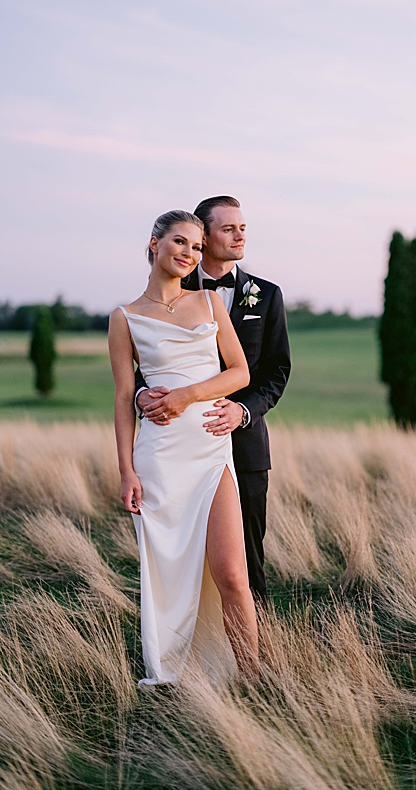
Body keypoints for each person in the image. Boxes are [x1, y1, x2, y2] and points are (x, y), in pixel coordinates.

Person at [108, 210, 259, 685]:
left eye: (196, 247)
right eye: (179, 242)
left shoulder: (210, 302)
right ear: (153, 244)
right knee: (170, 574)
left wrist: (188, 395)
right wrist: (126, 471)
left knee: (231, 573)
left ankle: (253, 679)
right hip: (159, 458)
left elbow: (240, 373)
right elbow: (121, 397)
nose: (189, 254)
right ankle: (178, 673)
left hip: (212, 450)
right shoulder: (125, 317)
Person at [137, 196, 291, 605]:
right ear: (203, 236)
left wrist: (243, 411)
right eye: (228, 229)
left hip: (245, 443)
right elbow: (145, 363)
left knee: (247, 553)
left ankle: (255, 646)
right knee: (182, 550)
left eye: (242, 227)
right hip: (180, 443)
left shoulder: (268, 295)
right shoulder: (174, 290)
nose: (239, 234)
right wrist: (141, 394)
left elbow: (277, 372)